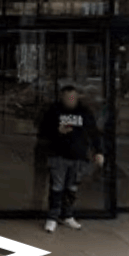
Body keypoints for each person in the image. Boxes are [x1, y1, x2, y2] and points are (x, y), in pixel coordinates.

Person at [38, 84, 104, 232]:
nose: (71, 100)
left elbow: (93, 133)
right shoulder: (54, 111)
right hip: (58, 155)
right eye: (68, 98)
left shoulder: (85, 112)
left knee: (72, 187)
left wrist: (98, 151)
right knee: (57, 187)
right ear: (62, 97)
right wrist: (57, 131)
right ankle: (52, 217)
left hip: (78, 156)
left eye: (73, 97)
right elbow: (43, 130)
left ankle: (67, 215)